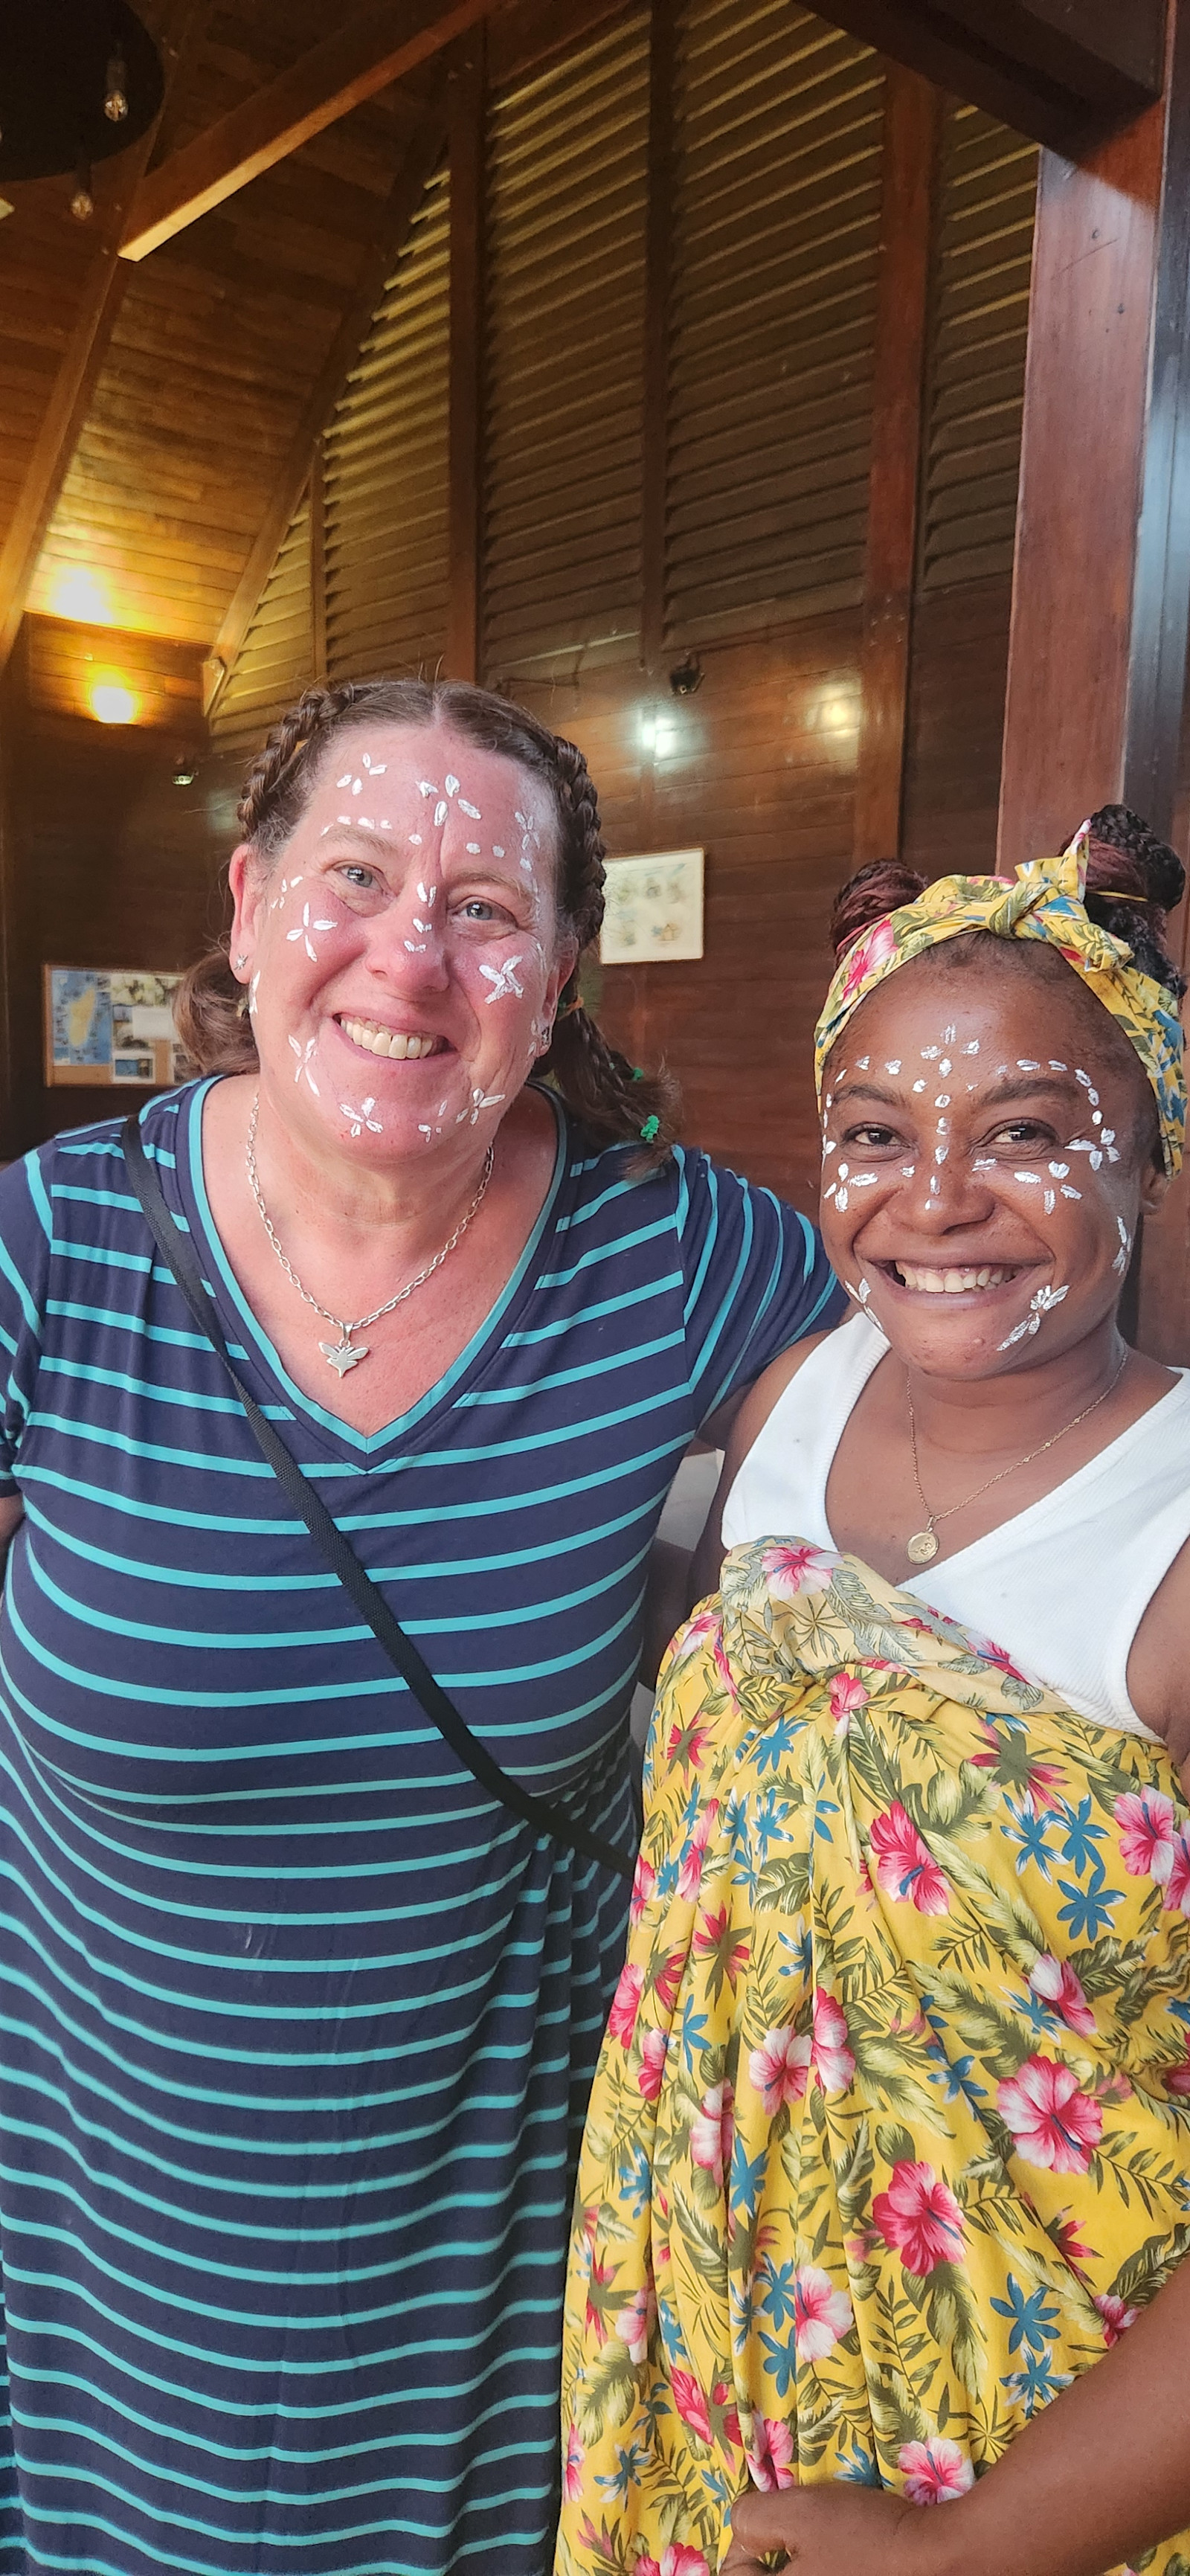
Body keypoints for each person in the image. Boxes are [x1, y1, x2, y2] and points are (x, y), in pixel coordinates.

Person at [0, 676, 842, 2576]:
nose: (411, 953)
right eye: (355, 874)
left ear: (558, 967)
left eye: (484, 906)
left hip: (488, 2255)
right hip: (97, 2239)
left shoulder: (690, 1257)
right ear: (243, 906)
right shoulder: (54, 1244)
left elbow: (939, 1494)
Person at [556, 823, 1190, 2576]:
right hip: (699, 2344)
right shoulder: (786, 1407)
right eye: (873, 1135)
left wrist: (968, 2547)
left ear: (1147, 1148)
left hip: (1059, 2431)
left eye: (1025, 1134)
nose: (934, 1198)